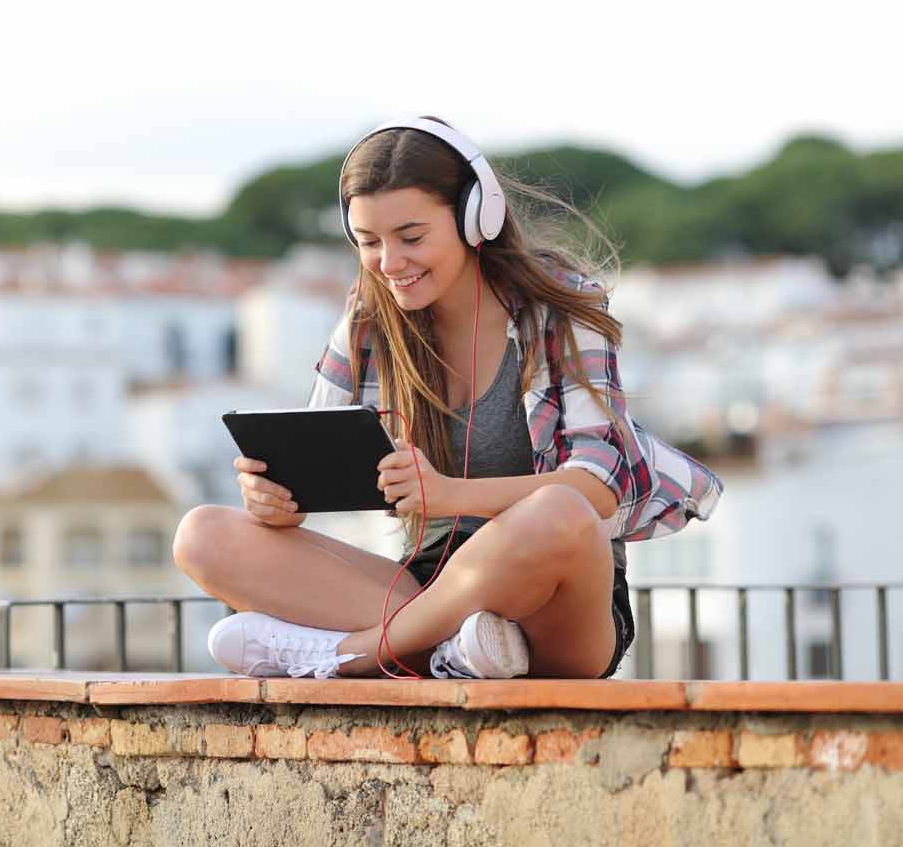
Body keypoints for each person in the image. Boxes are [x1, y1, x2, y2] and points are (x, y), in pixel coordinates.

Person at [172, 116, 723, 680]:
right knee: (203, 535)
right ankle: (460, 652)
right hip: (430, 587)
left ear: (474, 218)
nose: (390, 263)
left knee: (560, 510)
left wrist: (448, 492)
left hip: (559, 602)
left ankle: (352, 656)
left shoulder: (561, 309)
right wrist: (277, 497)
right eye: (369, 243)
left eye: (411, 238)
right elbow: (315, 457)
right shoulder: (369, 321)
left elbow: (598, 489)